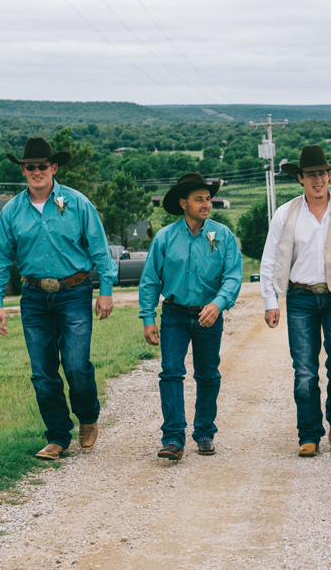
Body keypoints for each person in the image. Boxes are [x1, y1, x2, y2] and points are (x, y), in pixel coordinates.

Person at [0, 137, 117, 460]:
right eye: (30, 166)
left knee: (76, 366)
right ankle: (58, 436)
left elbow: (100, 249)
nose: (37, 171)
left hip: (74, 292)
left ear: (54, 167)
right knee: (43, 373)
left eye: (42, 166)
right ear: (23, 170)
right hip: (33, 297)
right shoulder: (11, 212)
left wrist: (106, 291)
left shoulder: (78, 203)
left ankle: (87, 418)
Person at [260, 145, 331, 457]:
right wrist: (271, 300)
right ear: (300, 178)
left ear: (329, 175)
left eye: (322, 173)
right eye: (311, 174)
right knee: (305, 372)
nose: (318, 180)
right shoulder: (285, 214)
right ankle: (309, 434)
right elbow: (271, 259)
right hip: (300, 297)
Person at [139, 173, 243, 461]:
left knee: (208, 375)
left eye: (208, 198)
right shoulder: (164, 237)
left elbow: (233, 276)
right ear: (183, 203)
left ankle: (205, 432)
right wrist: (148, 317)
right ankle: (173, 438)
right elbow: (150, 280)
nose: (206, 204)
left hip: (209, 315)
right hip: (174, 314)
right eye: (199, 199)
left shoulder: (223, 235)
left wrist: (218, 304)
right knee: (170, 372)